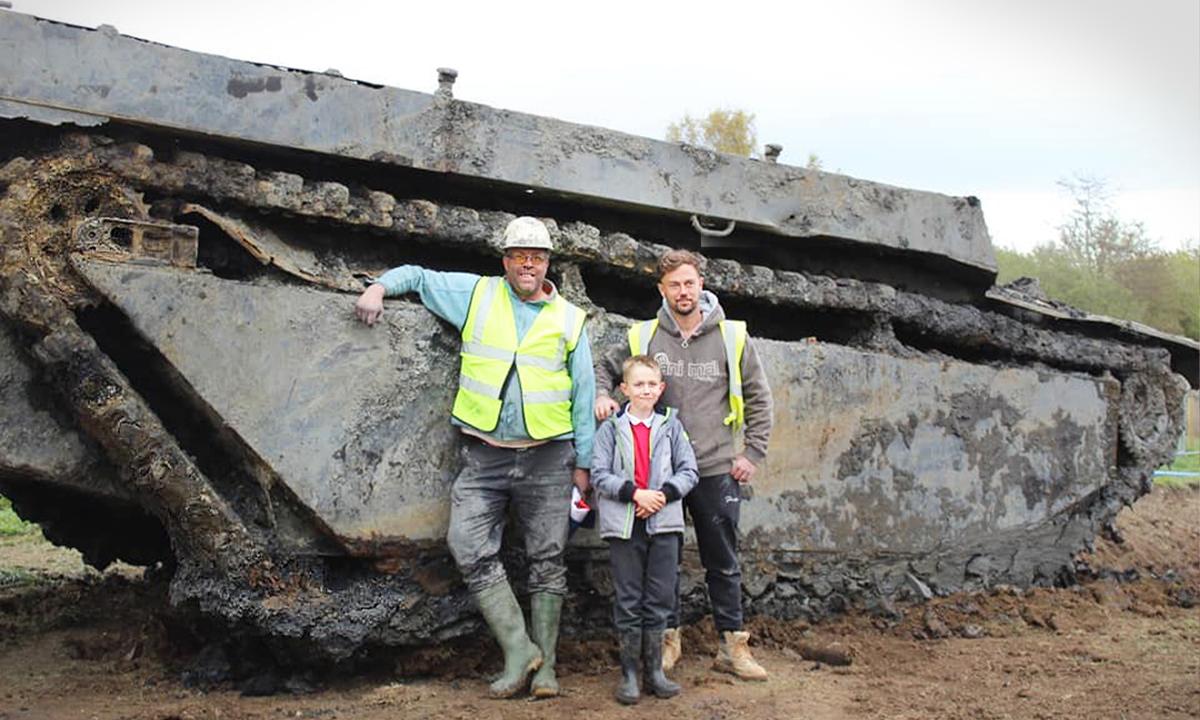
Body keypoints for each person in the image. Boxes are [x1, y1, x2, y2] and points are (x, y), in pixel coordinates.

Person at [354, 216, 594, 699]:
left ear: (548, 263)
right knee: (466, 543)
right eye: (519, 255)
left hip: (548, 458)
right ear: (505, 259)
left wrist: (584, 466)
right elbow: (419, 278)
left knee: (547, 559)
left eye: (538, 256)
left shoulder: (569, 318)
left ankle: (546, 671)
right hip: (485, 456)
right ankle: (519, 649)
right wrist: (379, 287)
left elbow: (584, 395)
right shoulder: (477, 294)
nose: (529, 263)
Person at [595, 248, 773, 681]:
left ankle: (733, 645)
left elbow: (759, 396)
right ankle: (668, 640)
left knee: (723, 559)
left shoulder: (731, 337)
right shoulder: (644, 337)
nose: (683, 291)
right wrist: (603, 395)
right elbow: (604, 365)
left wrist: (752, 453)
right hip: (663, 476)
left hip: (715, 467)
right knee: (663, 560)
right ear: (662, 289)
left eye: (689, 283)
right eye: (674, 284)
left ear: (701, 285)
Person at [592, 355, 698, 704]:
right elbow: (599, 474)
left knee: (660, 598)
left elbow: (688, 471)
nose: (646, 390)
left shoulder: (672, 427)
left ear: (661, 388)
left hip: (664, 523)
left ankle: (655, 671)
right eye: (638, 384)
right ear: (624, 389)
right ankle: (629, 674)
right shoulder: (610, 429)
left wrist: (662, 496)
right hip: (624, 526)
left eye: (652, 384)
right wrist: (634, 494)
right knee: (628, 598)